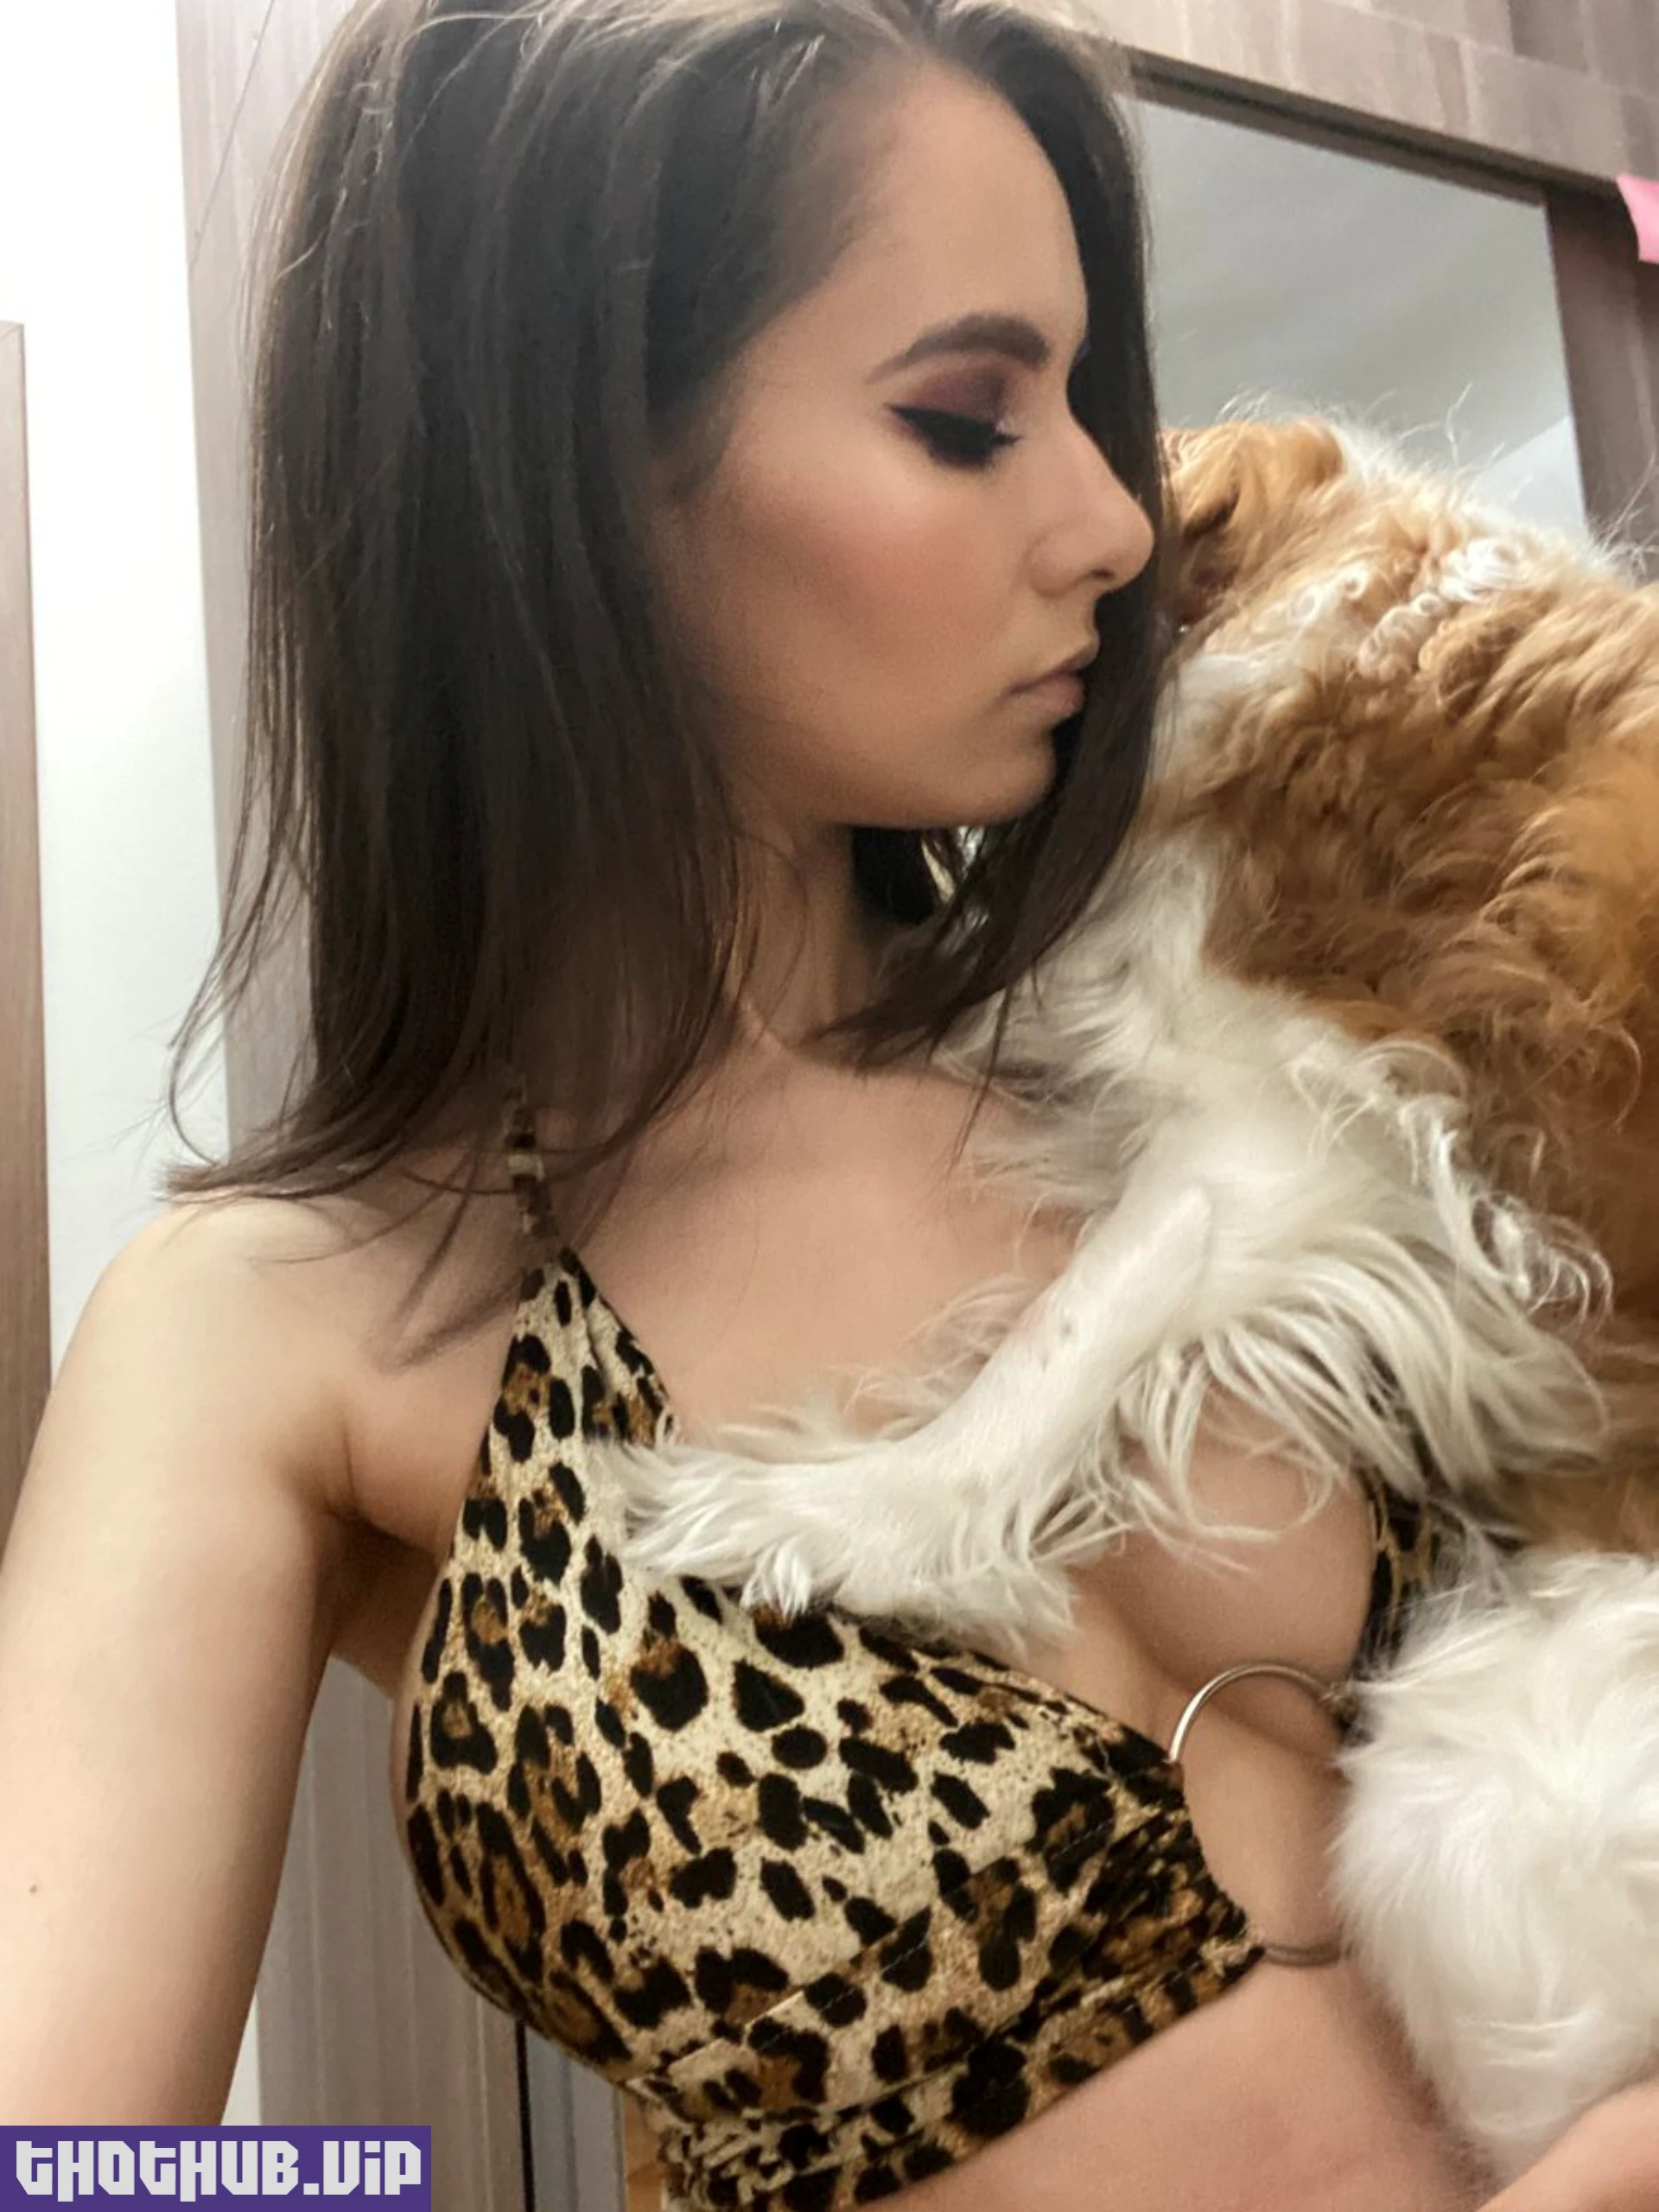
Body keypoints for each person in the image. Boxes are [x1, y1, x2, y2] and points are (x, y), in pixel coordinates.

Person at [3, 0, 1655, 2204]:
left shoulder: (1211, 1038)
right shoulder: (289, 1322)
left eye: (1090, 404)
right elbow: (64, 2164)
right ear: (564, 464)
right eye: (967, 418)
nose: (1113, 518)